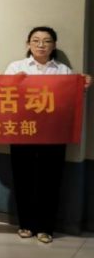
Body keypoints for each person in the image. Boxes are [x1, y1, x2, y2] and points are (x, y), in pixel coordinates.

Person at [5, 26, 91, 244]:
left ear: (54, 45)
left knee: (50, 180)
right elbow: (3, 96)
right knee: (23, 178)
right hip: (23, 131)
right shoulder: (16, 67)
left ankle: (46, 227)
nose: (41, 45)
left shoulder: (63, 70)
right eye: (36, 40)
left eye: (47, 41)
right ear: (28, 44)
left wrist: (83, 84)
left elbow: (70, 99)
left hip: (53, 133)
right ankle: (26, 224)